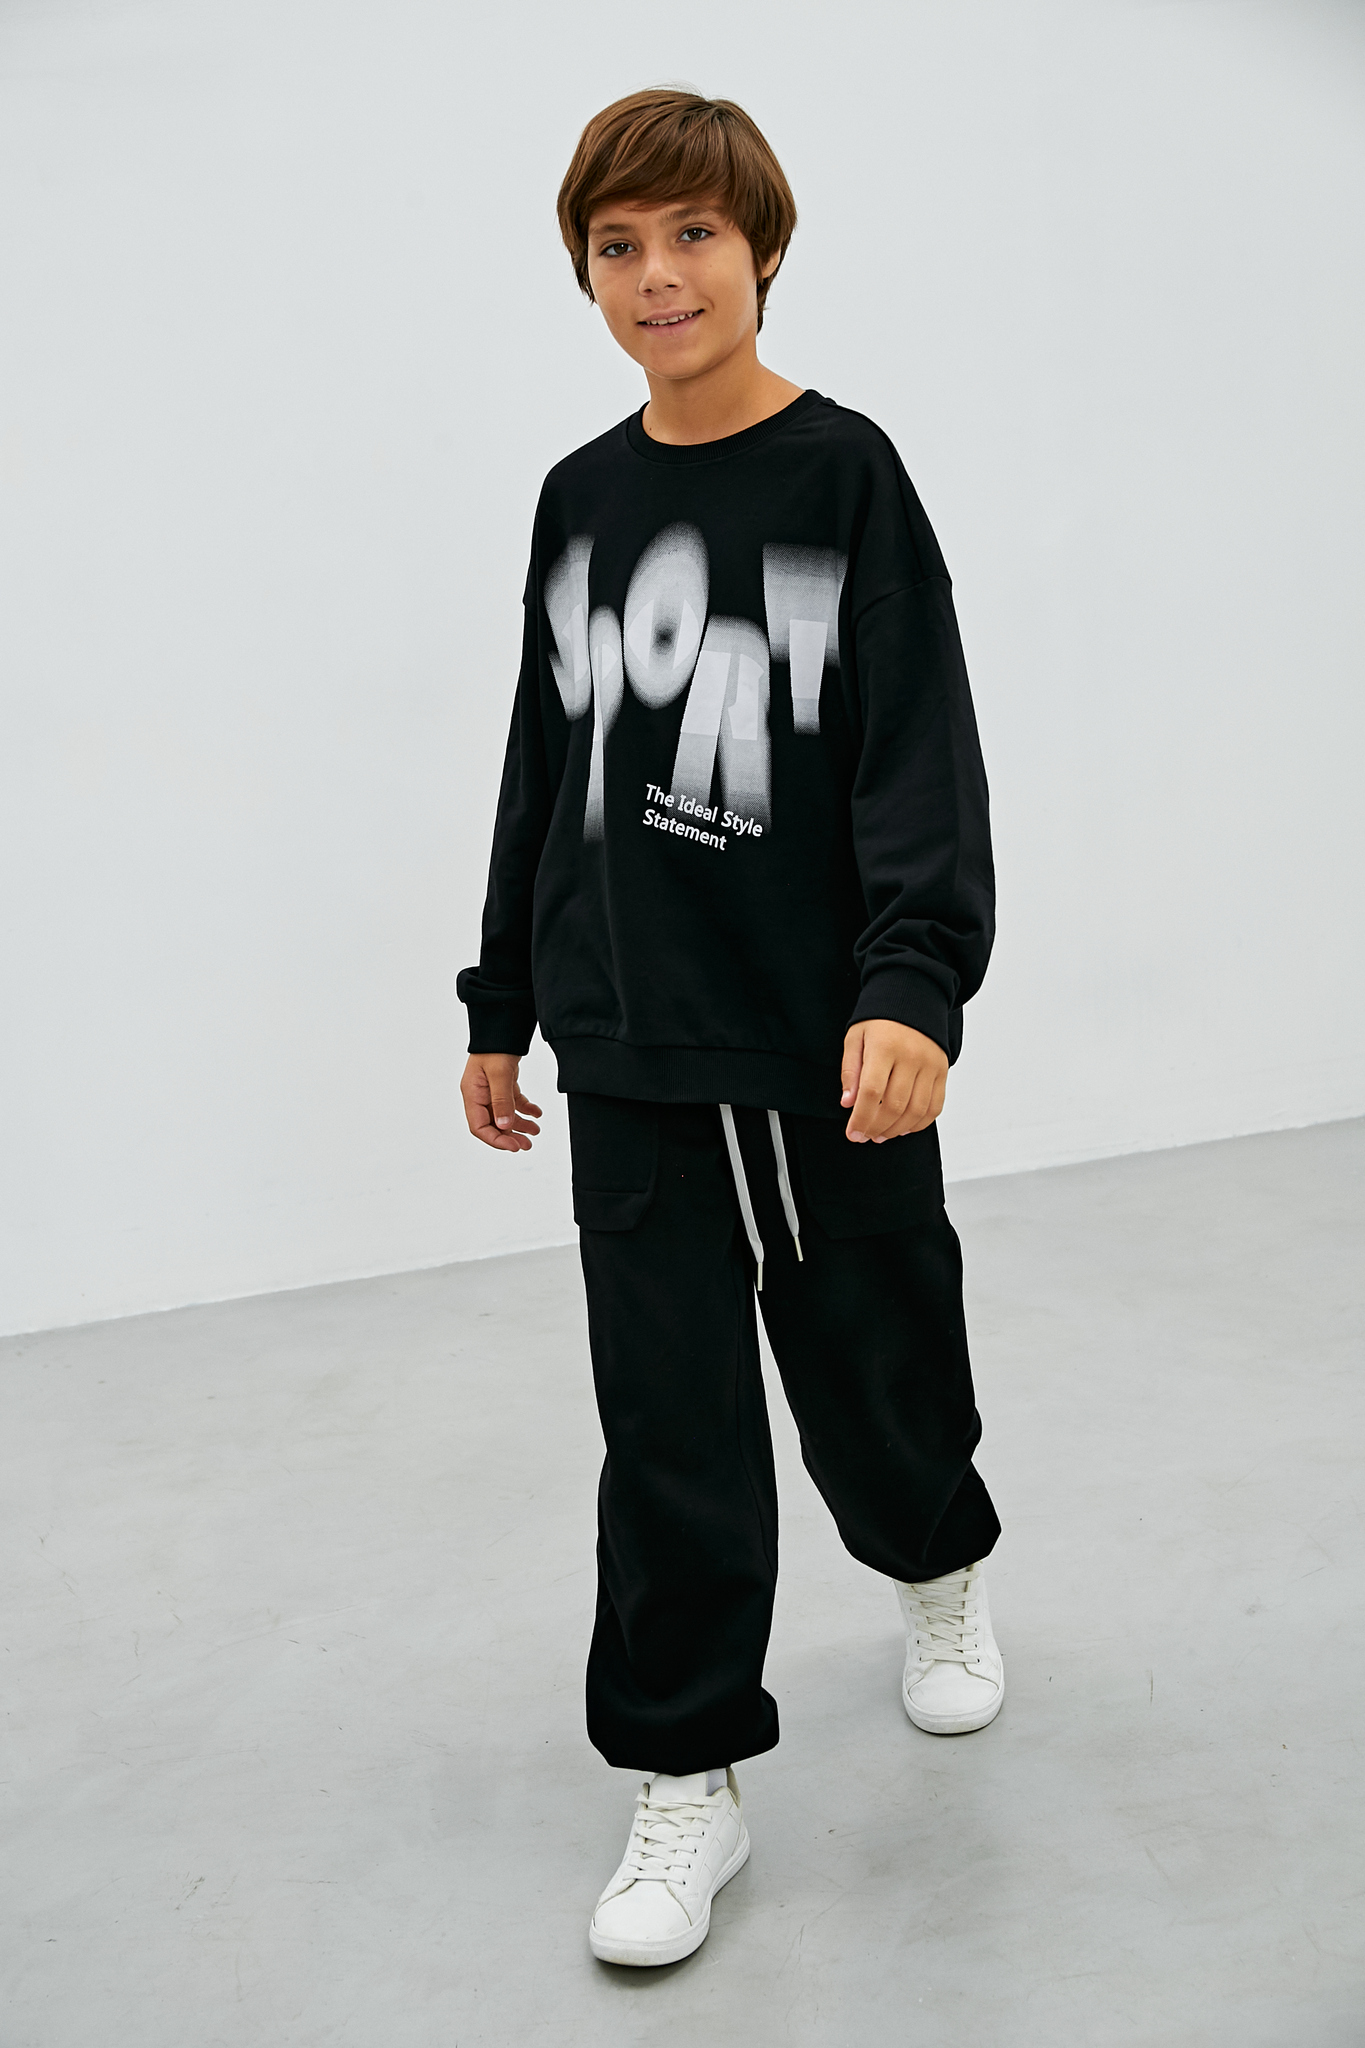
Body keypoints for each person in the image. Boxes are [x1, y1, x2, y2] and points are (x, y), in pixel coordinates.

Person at [456, 87, 1003, 1970]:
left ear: (761, 249)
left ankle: (934, 1565)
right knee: (667, 1426)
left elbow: (918, 748)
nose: (656, 275)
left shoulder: (844, 476)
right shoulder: (578, 498)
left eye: (691, 234)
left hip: (818, 1045)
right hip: (627, 1043)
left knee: (875, 1364)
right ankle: (683, 1768)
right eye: (616, 245)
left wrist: (910, 982)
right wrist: (501, 998)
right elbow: (545, 762)